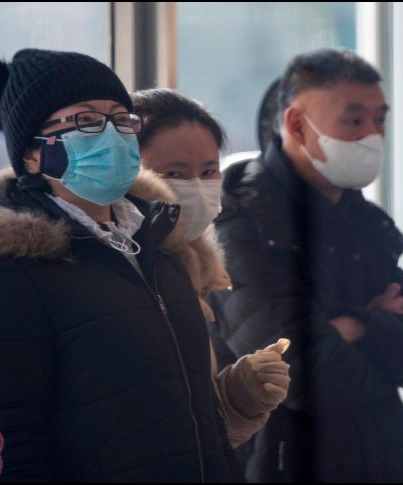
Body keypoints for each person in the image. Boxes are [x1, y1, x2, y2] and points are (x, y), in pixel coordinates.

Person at [0, 48, 242, 482]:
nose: (111, 133)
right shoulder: (5, 271)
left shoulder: (161, 243)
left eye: (121, 119)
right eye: (84, 120)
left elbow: (199, 416)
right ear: (33, 154)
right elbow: (9, 446)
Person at [213, 48, 403, 482]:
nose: (373, 134)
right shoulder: (242, 224)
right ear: (296, 125)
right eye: (354, 119)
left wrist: (357, 326)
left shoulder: (362, 220)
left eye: (379, 119)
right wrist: (376, 331)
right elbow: (304, 376)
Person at [132, 87, 290, 449]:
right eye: (174, 173)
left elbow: (196, 430)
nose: (197, 187)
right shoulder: (125, 270)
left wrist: (239, 398)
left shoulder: (195, 270)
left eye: (208, 171)